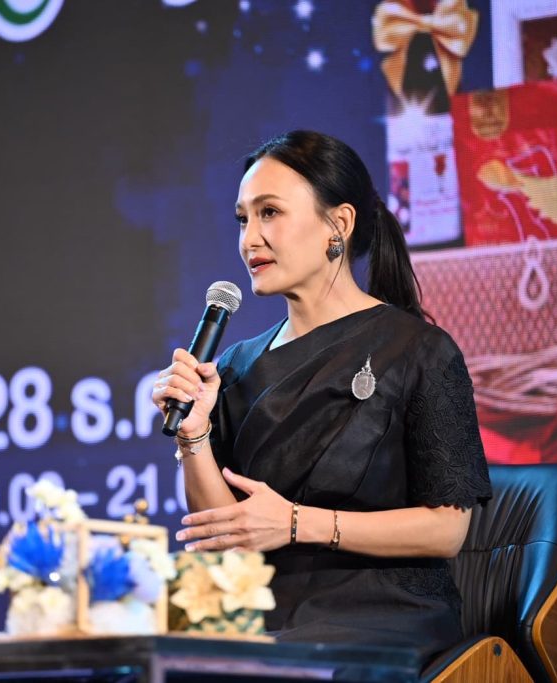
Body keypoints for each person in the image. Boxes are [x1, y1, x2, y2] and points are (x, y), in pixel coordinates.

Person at [151, 130, 492, 664]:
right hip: (263, 615)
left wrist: (296, 523)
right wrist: (193, 435)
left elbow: (447, 528)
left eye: (269, 213)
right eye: (242, 219)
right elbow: (227, 536)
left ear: (339, 224)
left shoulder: (419, 350)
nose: (249, 239)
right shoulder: (235, 366)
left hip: (382, 616)